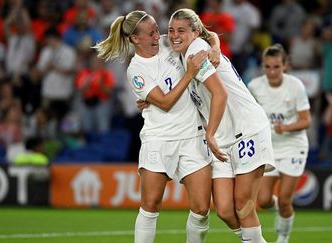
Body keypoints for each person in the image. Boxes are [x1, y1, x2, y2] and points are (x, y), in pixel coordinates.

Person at [93, 10, 220, 243]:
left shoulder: (167, 43)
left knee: (201, 208)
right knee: (150, 205)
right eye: (151, 33)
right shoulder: (136, 70)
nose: (158, 36)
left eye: (157, 30)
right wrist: (189, 74)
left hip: (192, 135)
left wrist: (216, 47)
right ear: (135, 39)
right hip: (158, 138)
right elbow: (165, 102)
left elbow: (204, 33)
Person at [168, 8, 275, 243]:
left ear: (195, 33)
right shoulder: (182, 55)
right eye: (171, 30)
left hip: (246, 130)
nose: (175, 35)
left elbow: (220, 94)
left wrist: (209, 133)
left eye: (181, 30)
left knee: (243, 205)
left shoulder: (195, 51)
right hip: (222, 138)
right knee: (225, 210)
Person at [247, 44, 311, 243]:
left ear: (285, 65)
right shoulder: (255, 86)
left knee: (285, 200)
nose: (272, 72)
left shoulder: (296, 86)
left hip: (293, 145)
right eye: (267, 67)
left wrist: (287, 127)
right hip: (269, 148)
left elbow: (306, 120)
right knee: (263, 200)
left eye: (276, 67)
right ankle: (279, 211)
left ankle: (283, 237)